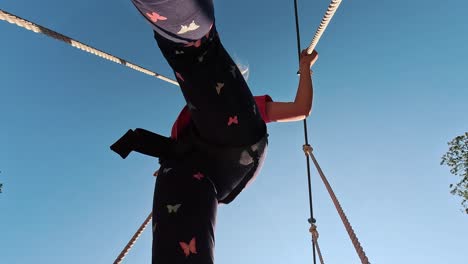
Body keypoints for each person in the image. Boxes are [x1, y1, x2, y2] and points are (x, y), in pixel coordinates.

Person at [110, 0, 318, 263]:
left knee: (195, 59)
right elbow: (302, 110)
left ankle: (179, 24)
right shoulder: (208, 112)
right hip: (218, 161)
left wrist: (306, 68)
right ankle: (180, 23)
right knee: (196, 56)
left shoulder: (241, 106)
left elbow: (301, 108)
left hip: (225, 152)